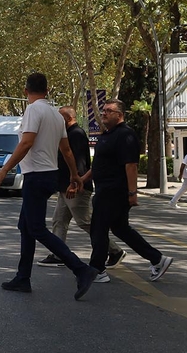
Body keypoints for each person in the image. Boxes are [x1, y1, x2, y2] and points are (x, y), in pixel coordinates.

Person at [0, 73, 96, 300]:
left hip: (36, 177)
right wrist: (74, 175)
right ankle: (22, 277)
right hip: (50, 175)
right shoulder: (56, 115)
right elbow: (66, 150)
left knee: (36, 228)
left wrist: (4, 170)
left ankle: (80, 269)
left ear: (25, 90)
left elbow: (26, 142)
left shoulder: (33, 110)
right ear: (47, 91)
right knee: (26, 226)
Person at [81, 100, 174, 282]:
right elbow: (100, 165)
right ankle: (157, 259)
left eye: (109, 111)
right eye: (104, 110)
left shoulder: (125, 135)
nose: (104, 113)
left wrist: (133, 193)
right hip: (103, 190)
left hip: (114, 192)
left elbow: (131, 165)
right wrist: (82, 179)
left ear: (120, 115)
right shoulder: (107, 135)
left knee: (98, 229)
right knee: (120, 229)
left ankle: (97, 269)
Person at [36, 106, 126, 282]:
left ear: (68, 118)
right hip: (65, 187)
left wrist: (76, 183)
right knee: (59, 220)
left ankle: (114, 250)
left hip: (74, 187)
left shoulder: (75, 134)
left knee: (85, 222)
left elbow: (79, 161)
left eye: (59, 117)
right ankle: (58, 254)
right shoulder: (68, 132)